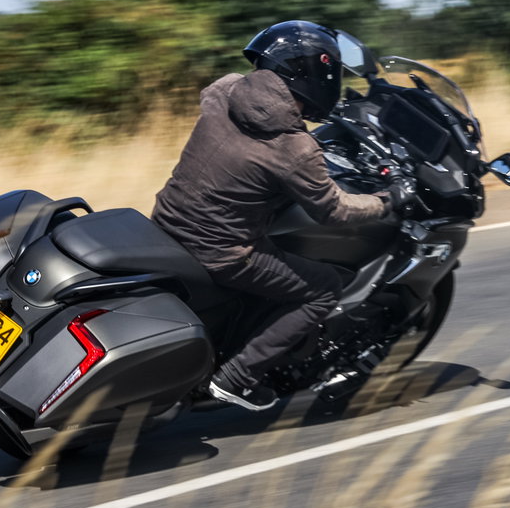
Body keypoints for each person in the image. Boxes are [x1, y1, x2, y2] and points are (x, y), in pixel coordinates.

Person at [152, 21, 408, 410]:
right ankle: (236, 379)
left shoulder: (225, 90)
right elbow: (333, 210)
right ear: (317, 77)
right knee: (323, 289)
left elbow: (216, 100)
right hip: (223, 253)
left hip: (167, 220)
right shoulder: (294, 148)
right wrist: (386, 200)